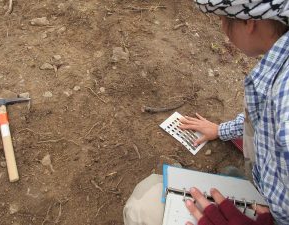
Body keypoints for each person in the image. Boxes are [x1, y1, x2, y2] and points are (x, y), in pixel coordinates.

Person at [123, 0, 289, 225]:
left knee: (143, 205)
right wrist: (222, 130)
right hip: (270, 194)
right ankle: (247, 187)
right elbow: (264, 120)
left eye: (222, 19)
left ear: (249, 22)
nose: (221, 27)